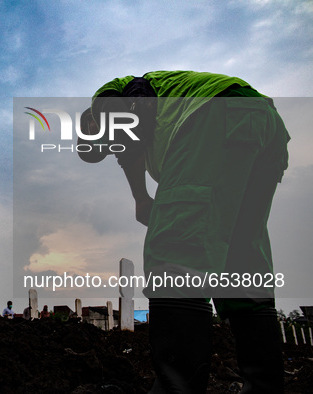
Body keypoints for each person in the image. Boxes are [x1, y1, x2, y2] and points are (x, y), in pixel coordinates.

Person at [81, 71, 289, 393]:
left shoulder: (106, 99)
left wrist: (140, 197)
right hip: (262, 125)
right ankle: (264, 386)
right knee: (240, 258)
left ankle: (176, 388)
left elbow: (125, 133)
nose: (110, 147)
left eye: (102, 141)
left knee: (176, 249)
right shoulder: (160, 143)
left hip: (210, 115)